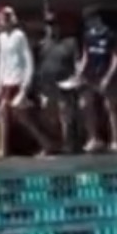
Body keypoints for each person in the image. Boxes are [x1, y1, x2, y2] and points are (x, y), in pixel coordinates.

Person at [0, 5, 47, 158]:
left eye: (2, 19)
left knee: (22, 117)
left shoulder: (19, 36)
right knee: (2, 113)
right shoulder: (1, 38)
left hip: (18, 80)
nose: (0, 22)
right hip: (6, 81)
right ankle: (2, 148)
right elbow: (2, 61)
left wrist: (25, 86)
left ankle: (45, 143)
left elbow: (28, 60)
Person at [75, 8, 117, 152]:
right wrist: (79, 73)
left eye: (91, 19)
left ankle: (116, 141)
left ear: (97, 18)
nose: (89, 22)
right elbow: (85, 56)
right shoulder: (87, 35)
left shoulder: (109, 35)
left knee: (110, 107)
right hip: (90, 75)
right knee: (86, 105)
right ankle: (93, 138)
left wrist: (108, 77)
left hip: (105, 74)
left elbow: (115, 58)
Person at [36, 13, 81, 152]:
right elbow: (38, 64)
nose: (51, 28)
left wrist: (76, 78)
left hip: (64, 83)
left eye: (54, 24)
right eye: (48, 25)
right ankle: (52, 144)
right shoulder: (42, 44)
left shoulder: (70, 42)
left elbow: (77, 62)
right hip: (46, 86)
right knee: (48, 116)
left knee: (65, 114)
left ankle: (68, 144)